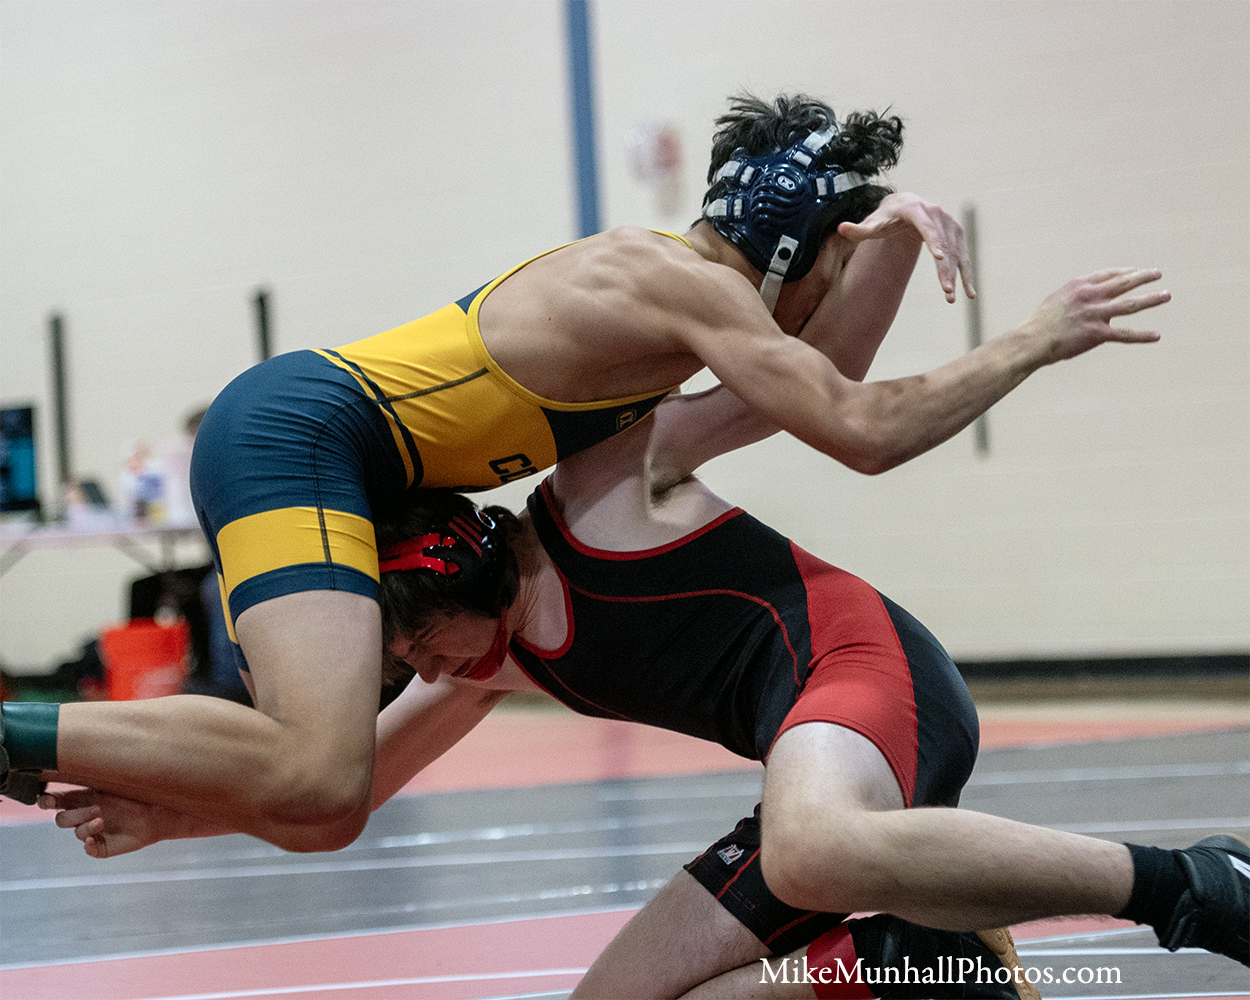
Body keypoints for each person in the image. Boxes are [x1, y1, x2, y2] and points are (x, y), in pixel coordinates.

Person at [1, 93, 1169, 856]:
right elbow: (856, 426)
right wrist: (1031, 338)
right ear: (791, 255)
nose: (821, 299)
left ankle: (71, 749)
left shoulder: (678, 305)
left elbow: (826, 376)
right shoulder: (674, 288)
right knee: (316, 758)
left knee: (323, 804)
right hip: (300, 435)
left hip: (314, 442)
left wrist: (894, 232)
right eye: (832, 262)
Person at [44, 383, 1248, 999]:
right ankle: (916, 963)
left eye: (423, 645)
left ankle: (1190, 880)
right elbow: (342, 790)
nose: (429, 672)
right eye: (405, 666)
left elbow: (786, 376)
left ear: (457, 565)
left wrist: (862, 241)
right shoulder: (500, 651)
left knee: (811, 845)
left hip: (870, 676)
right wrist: (176, 810)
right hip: (815, 752)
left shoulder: (598, 502)